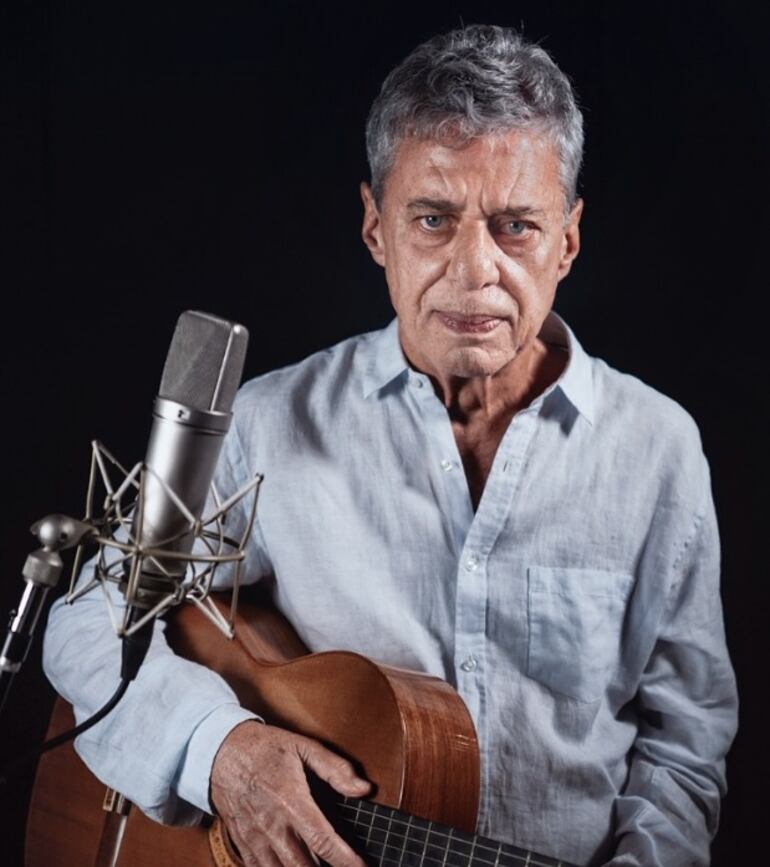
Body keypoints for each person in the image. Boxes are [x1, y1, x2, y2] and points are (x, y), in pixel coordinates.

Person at [43, 24, 738, 867]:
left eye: (516, 226)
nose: (474, 270)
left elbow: (684, 749)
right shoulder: (271, 421)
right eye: (433, 219)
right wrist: (220, 753)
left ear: (569, 239)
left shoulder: (659, 451)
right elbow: (86, 622)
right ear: (376, 229)